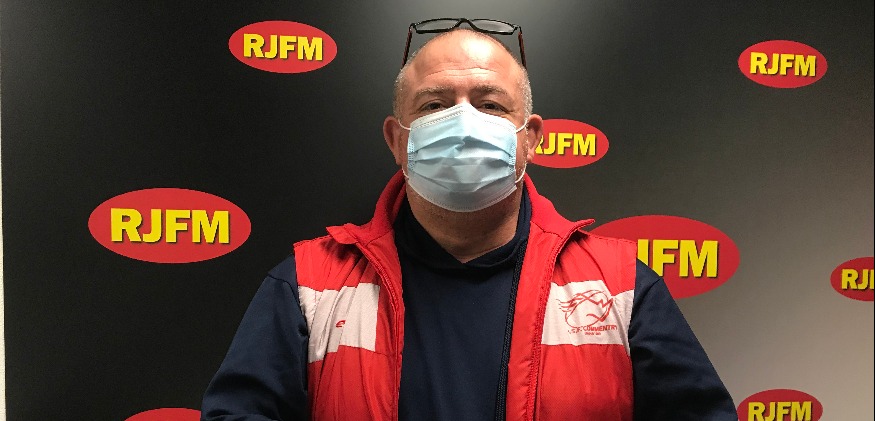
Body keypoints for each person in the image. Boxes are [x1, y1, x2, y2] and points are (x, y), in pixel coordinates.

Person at [201, 19, 737, 421]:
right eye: (435, 105)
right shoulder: (309, 286)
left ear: (531, 138)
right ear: (397, 140)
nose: (463, 123)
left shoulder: (620, 286)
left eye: (491, 104)